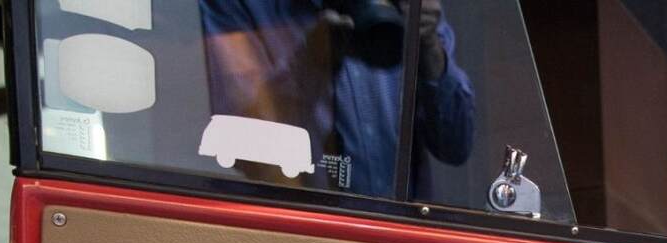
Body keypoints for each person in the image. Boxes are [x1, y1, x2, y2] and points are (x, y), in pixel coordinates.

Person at [198, 0, 475, 198]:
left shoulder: (404, 6)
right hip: (295, 239)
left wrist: (428, 46)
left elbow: (456, 145)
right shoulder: (238, 5)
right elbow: (241, 148)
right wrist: (312, 63)